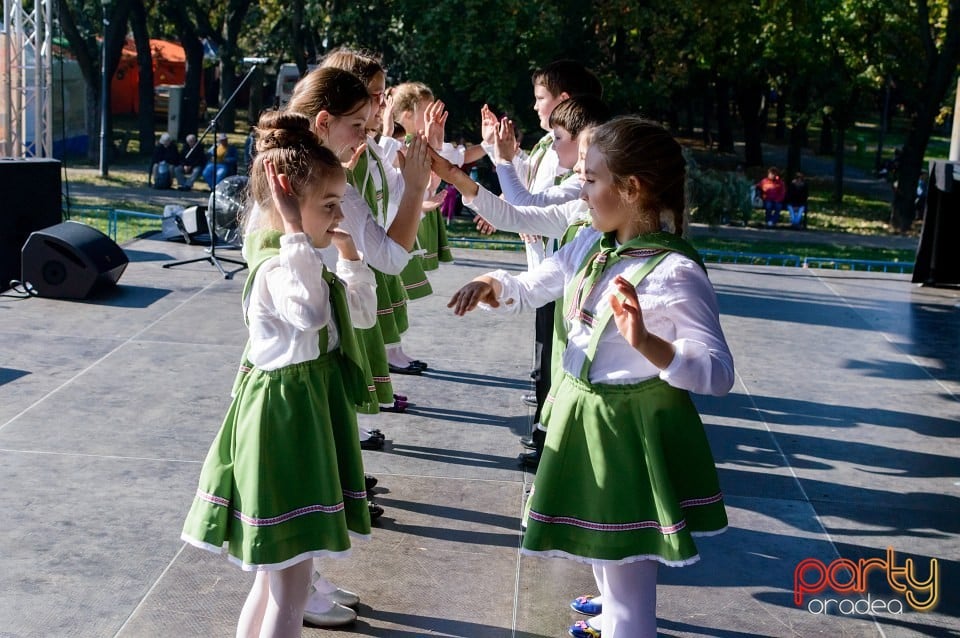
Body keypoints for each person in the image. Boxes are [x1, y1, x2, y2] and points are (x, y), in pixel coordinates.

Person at [447, 116, 734, 638]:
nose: (581, 189)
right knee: (605, 556)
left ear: (632, 188)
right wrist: (496, 284)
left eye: (592, 179)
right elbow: (542, 282)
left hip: (629, 437)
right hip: (585, 420)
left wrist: (650, 343)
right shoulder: (591, 246)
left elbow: (717, 373)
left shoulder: (675, 273)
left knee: (629, 585)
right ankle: (612, 612)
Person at [180, 110, 376, 637]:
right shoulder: (276, 269)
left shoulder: (306, 261)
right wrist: (294, 230)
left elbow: (361, 315)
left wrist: (348, 252)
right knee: (289, 585)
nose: (338, 216)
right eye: (328, 205)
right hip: (283, 426)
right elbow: (310, 315)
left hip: (305, 417)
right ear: (287, 202)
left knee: (275, 582)